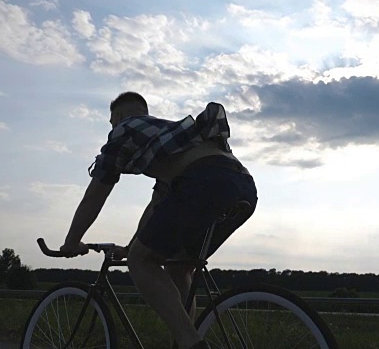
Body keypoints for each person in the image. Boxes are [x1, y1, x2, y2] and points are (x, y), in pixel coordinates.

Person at [59, 92, 258, 349]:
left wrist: (72, 241)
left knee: (141, 263)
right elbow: (159, 204)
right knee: (179, 266)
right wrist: (133, 246)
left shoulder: (124, 130)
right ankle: (188, 337)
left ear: (117, 116)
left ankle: (190, 343)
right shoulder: (169, 139)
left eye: (111, 122)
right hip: (243, 186)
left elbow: (96, 192)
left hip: (203, 183)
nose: (112, 127)